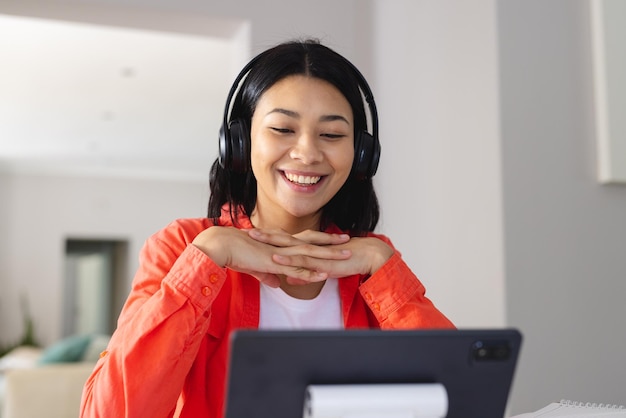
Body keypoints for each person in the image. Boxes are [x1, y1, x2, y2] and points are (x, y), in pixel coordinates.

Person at [79, 38, 454, 418]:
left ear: (360, 156)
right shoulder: (182, 246)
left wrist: (383, 264)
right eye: (282, 129)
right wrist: (206, 259)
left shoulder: (373, 262)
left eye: (332, 135)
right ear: (240, 143)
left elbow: (462, 398)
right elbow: (112, 411)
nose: (307, 153)